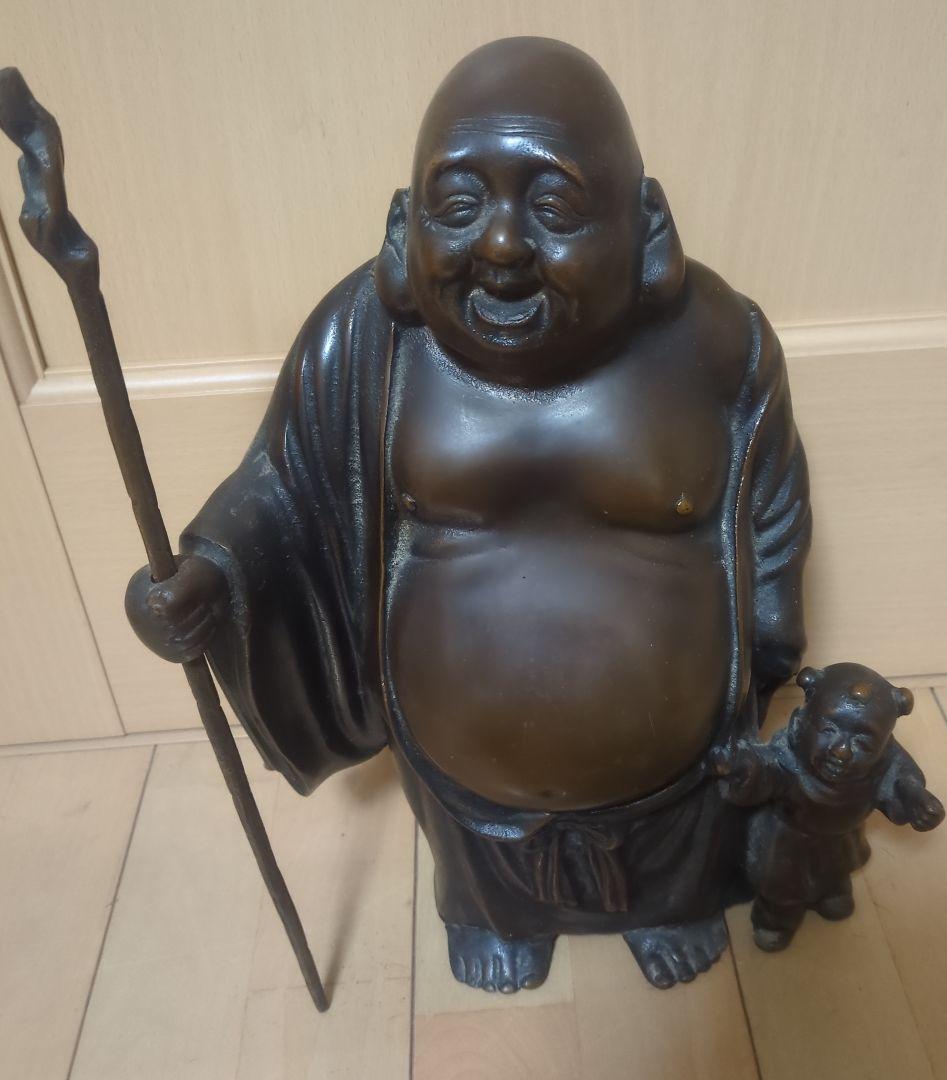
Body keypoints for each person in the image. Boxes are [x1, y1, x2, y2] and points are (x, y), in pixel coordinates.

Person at [126, 36, 811, 992]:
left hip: (681, 782)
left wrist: (770, 637)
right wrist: (210, 578)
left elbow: (771, 506)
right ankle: (496, 912)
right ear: (402, 229)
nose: (500, 248)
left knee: (678, 867)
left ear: (648, 226)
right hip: (462, 786)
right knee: (487, 885)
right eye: (458, 206)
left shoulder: (719, 345)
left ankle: (668, 901)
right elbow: (282, 487)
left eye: (554, 207)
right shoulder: (370, 342)